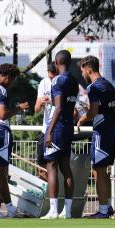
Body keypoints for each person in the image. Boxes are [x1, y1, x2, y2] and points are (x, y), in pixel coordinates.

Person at [0, 63, 28, 218]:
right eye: (13, 80)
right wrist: (18, 108)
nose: (12, 84)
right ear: (8, 77)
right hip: (1, 133)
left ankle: (10, 208)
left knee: (1, 173)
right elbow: (2, 115)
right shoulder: (1, 91)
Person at [77, 55, 115, 218]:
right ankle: (107, 207)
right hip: (112, 131)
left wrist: (82, 118)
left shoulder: (93, 87)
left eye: (82, 71)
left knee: (98, 170)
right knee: (103, 170)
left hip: (101, 133)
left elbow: (93, 112)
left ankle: (102, 210)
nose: (82, 75)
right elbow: (107, 108)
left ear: (89, 68)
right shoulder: (108, 85)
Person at [41, 51, 78, 219]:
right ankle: (67, 211)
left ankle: (54, 210)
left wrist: (49, 131)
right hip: (68, 127)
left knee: (51, 166)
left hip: (57, 128)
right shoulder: (74, 80)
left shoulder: (57, 80)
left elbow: (58, 107)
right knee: (65, 167)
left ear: (56, 62)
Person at [34, 63, 58, 181]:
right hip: (46, 129)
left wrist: (51, 101)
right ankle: (46, 194)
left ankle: (56, 197)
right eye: (50, 77)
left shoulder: (63, 82)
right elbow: (36, 109)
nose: (51, 80)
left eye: (53, 78)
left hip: (58, 129)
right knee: (42, 164)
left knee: (55, 165)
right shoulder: (44, 83)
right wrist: (41, 102)